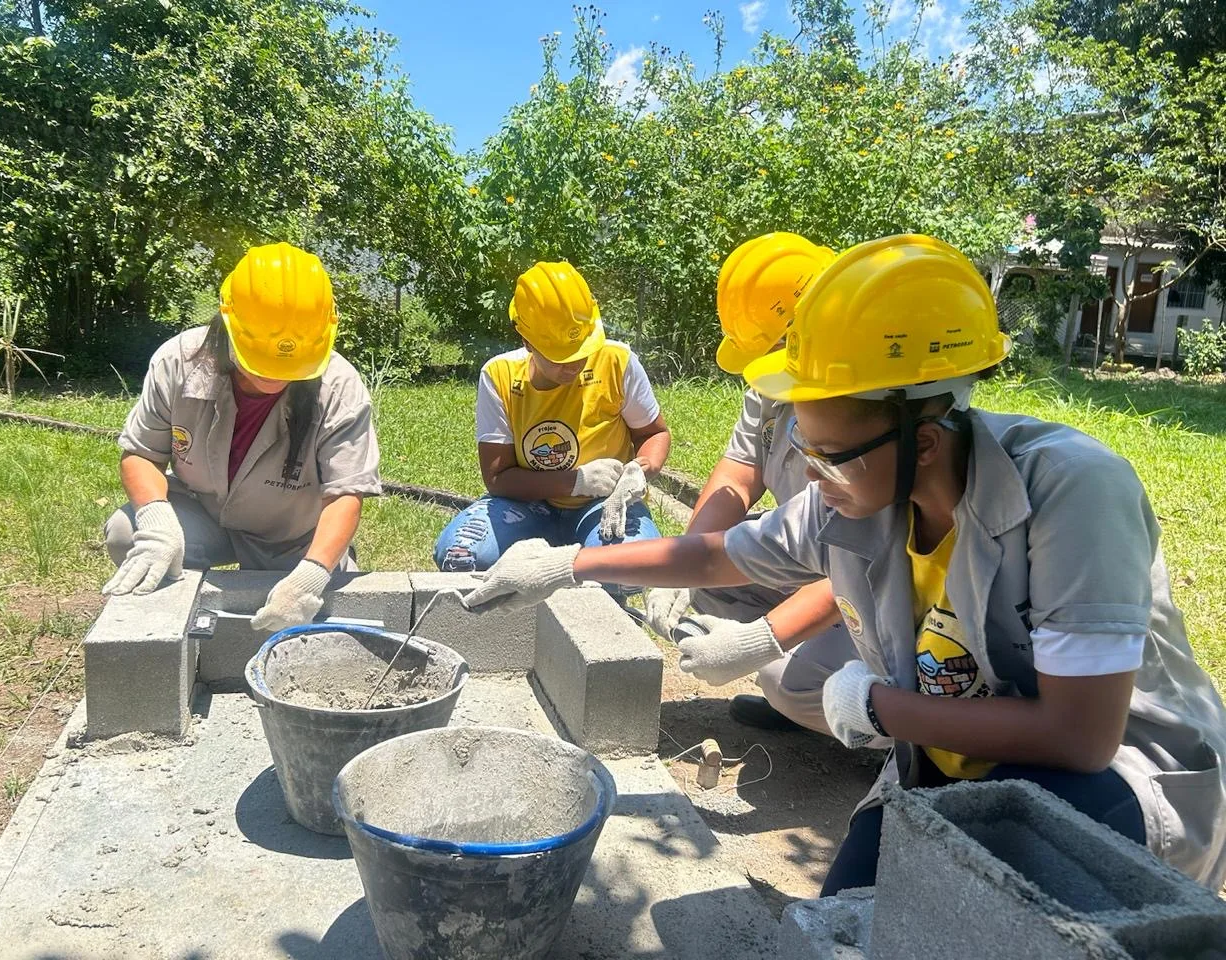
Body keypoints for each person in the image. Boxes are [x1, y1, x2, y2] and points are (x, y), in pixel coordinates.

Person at [457, 234, 1226, 893]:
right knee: (844, 915)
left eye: (825, 458)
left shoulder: (1070, 492)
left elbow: (1079, 737)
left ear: (922, 440)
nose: (809, 477)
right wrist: (572, 564)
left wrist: (879, 707)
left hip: (1113, 778)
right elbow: (719, 553)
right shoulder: (863, 488)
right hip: (954, 764)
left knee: (980, 900)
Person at [645, 232, 862, 736]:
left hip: (866, 587)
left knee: (784, 679)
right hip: (813, 558)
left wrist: (763, 641)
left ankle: (896, 736)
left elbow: (870, 560)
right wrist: (681, 562)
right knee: (712, 578)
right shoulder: (771, 388)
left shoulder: (864, 403)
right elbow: (737, 475)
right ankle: (811, 695)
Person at [103, 242, 381, 632]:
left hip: (291, 537)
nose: (275, 376)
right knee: (125, 532)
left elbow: (345, 494)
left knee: (319, 613)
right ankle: (170, 625)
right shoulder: (177, 362)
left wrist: (310, 579)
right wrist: (157, 522)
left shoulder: (339, 386)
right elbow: (142, 454)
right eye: (261, 360)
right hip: (206, 516)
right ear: (228, 323)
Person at [432, 260, 670, 599]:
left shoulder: (616, 362)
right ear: (527, 341)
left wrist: (639, 470)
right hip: (528, 503)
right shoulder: (499, 377)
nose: (574, 364)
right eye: (561, 356)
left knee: (627, 572)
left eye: (582, 352)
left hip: (603, 505)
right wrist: (575, 481)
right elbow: (498, 478)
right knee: (462, 557)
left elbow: (653, 434)